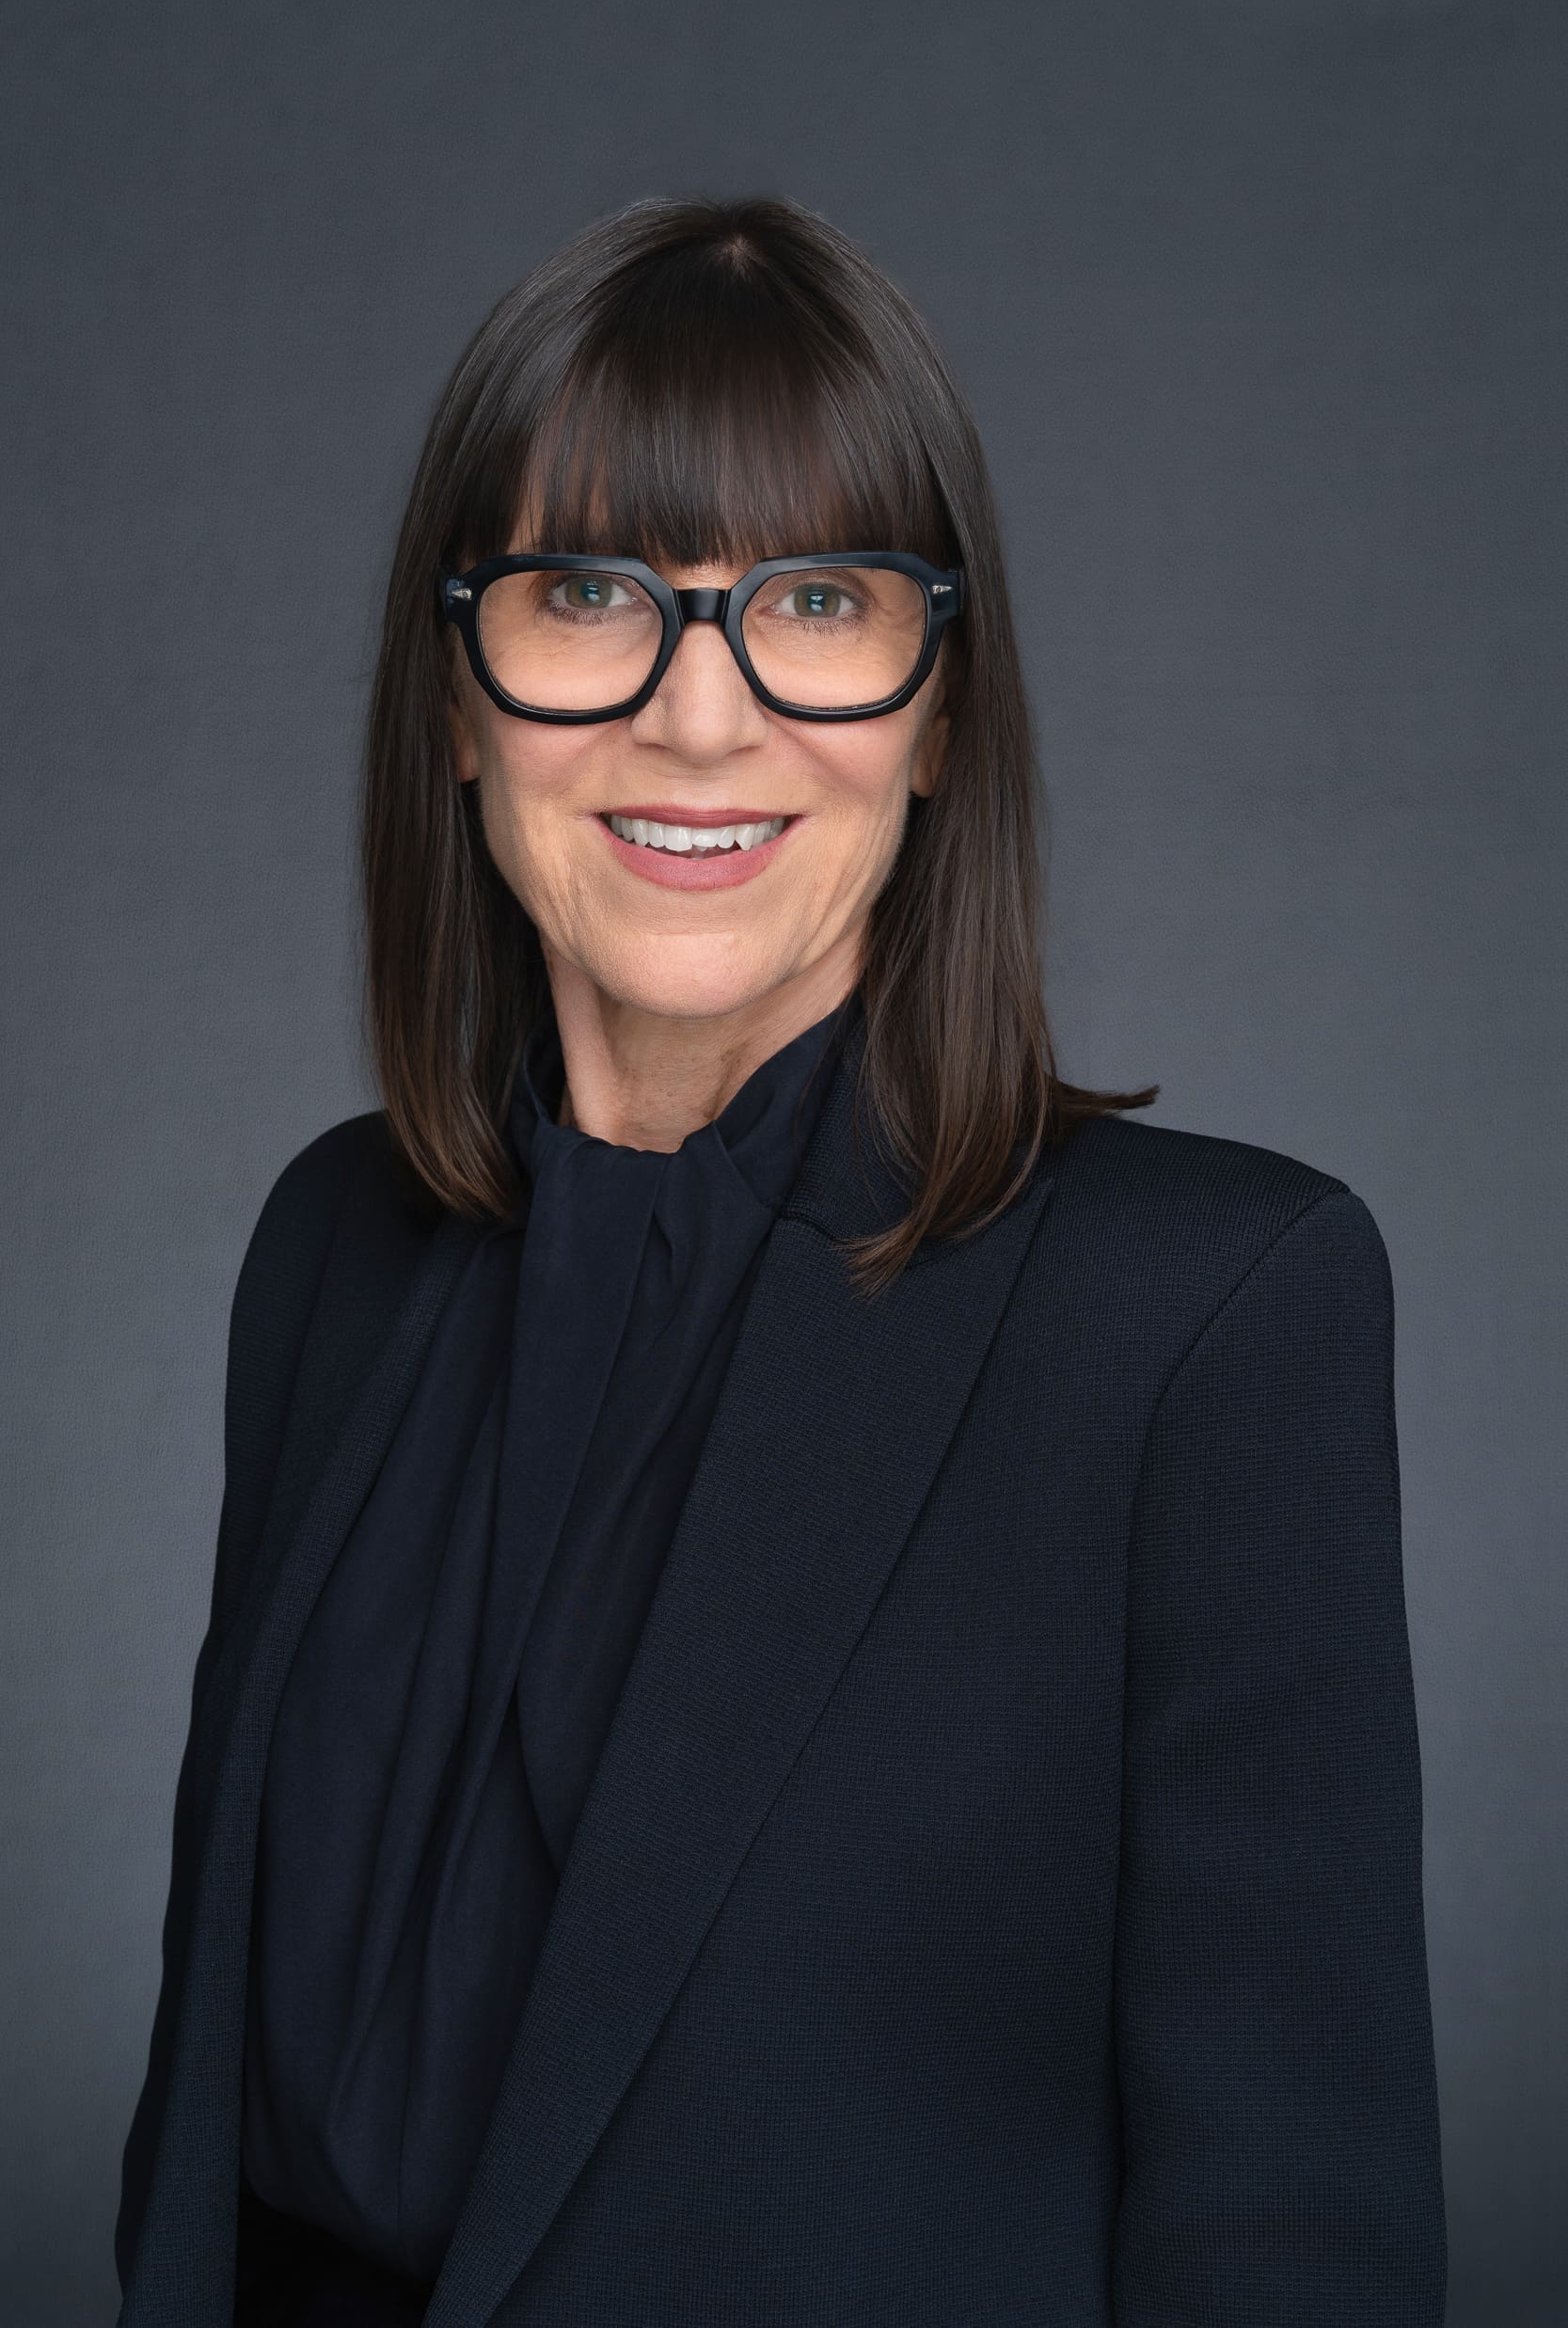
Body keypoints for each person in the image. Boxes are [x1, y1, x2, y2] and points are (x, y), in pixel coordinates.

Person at [113, 195, 1447, 2328]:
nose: (700, 719)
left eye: (814, 600)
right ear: (459, 695)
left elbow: (1292, 2238)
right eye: (587, 594)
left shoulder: (1207, 1317)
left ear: (939, 707)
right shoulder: (328, 1253)